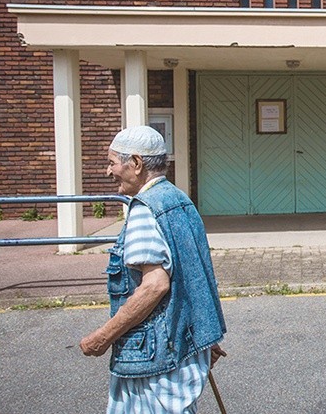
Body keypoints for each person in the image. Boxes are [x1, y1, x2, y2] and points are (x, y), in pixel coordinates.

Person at [80, 126, 227, 413]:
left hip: (156, 354)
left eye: (112, 163)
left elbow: (155, 285)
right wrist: (203, 339)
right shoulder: (178, 199)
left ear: (135, 164)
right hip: (181, 345)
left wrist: (102, 337)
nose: (108, 172)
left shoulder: (145, 210)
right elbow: (191, 276)